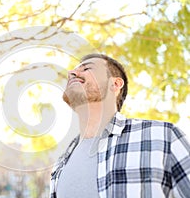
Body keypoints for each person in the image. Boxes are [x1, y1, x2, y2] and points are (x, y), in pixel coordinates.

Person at [50, 53, 190, 198]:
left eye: (87, 69)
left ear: (115, 84)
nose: (72, 73)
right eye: (73, 71)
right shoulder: (61, 161)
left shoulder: (164, 136)